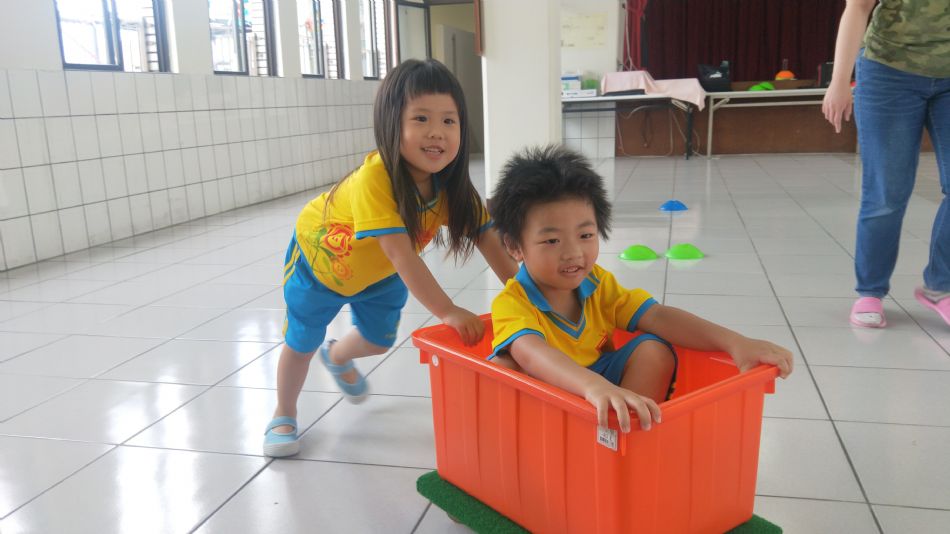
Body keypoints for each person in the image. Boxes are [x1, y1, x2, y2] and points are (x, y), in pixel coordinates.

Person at [264, 59, 519, 457]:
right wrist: (448, 311)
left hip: (378, 276)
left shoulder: (451, 186)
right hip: (320, 267)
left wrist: (523, 293)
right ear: (391, 124)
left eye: (449, 121)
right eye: (421, 118)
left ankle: (337, 355)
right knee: (301, 343)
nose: (436, 132)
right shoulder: (375, 178)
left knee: (378, 341)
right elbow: (401, 254)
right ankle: (284, 412)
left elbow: (488, 237)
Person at [487, 145, 793, 433]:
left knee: (653, 348)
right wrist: (592, 386)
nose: (573, 253)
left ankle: (627, 434)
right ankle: (562, 443)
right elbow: (533, 355)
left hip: (602, 385)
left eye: (585, 235)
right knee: (505, 368)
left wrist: (734, 342)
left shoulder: (598, 284)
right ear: (515, 246)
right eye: (552, 240)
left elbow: (657, 316)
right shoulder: (512, 302)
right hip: (549, 401)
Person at [822, 0, 950, 328]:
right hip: (889, 72)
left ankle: (941, 286)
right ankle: (871, 291)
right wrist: (840, 81)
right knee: (886, 193)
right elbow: (858, 8)